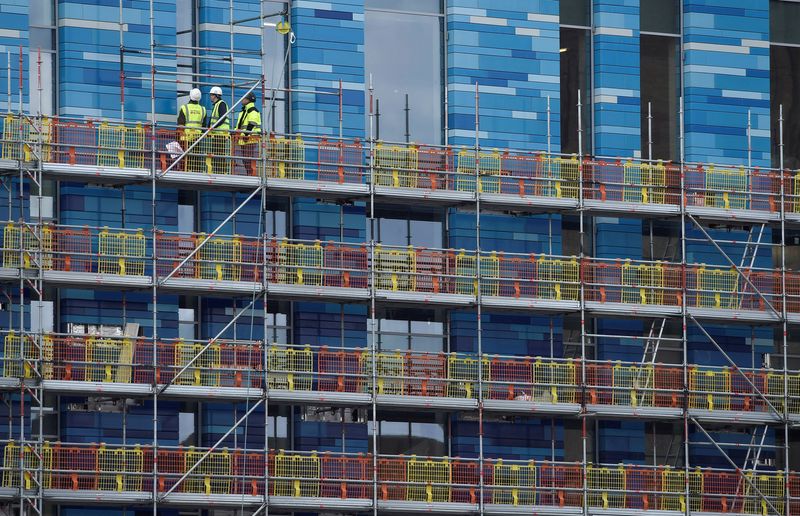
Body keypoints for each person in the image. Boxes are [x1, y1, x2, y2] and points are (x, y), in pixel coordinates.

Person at [177, 88, 207, 172]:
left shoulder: (184, 107)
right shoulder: (203, 109)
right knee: (195, 158)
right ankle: (195, 172)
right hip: (197, 138)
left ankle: (184, 170)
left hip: (185, 137)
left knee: (185, 157)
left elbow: (180, 124)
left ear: (190, 96)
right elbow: (204, 126)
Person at [236, 92, 262, 175]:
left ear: (248, 100)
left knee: (248, 159)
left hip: (250, 139)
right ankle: (249, 174)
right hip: (245, 139)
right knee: (246, 159)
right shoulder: (245, 111)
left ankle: (251, 175)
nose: (242, 99)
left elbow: (252, 123)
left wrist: (246, 135)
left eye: (243, 98)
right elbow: (241, 125)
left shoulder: (252, 110)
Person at [208, 86, 230, 174]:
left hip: (221, 134)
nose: (210, 96)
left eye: (212, 95)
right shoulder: (217, 105)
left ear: (216, 95)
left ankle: (221, 172)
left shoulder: (221, 104)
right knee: (217, 154)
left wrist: (213, 127)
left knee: (219, 154)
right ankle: (217, 171)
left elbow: (222, 118)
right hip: (217, 134)